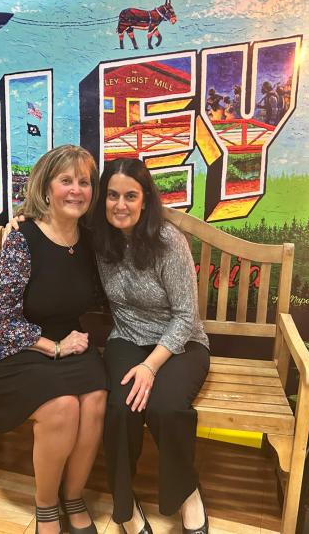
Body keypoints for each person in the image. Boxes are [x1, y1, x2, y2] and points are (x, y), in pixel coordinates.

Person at [0, 144, 108, 534]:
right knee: (62, 407)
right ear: (47, 187)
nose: (76, 190)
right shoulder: (22, 238)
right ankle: (46, 505)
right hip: (8, 344)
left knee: (95, 399)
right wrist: (54, 347)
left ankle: (73, 495)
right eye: (66, 180)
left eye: (84, 182)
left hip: (67, 336)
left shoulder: (90, 241)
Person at [92, 158, 210, 534]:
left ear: (145, 199)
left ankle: (187, 493)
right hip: (126, 338)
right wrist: (22, 218)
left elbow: (186, 316)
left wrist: (150, 366)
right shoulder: (99, 238)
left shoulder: (167, 241)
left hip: (181, 343)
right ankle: (125, 506)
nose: (120, 204)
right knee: (119, 409)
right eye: (112, 195)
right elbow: (53, 215)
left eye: (130, 195)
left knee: (166, 407)